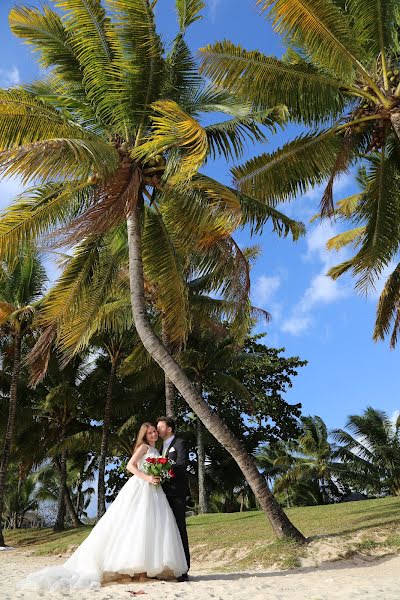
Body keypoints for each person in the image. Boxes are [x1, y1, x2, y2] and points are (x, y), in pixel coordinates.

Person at [18, 423, 187, 592]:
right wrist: (147, 478)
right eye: (150, 432)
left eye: (155, 432)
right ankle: (133, 571)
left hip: (154, 491)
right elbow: (130, 465)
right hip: (141, 488)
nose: (153, 434)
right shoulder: (143, 447)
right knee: (135, 526)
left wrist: (156, 476)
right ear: (144, 435)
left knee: (149, 528)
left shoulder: (156, 450)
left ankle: (144, 571)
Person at [157, 416, 190, 582]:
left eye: (160, 426)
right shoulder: (162, 446)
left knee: (179, 529)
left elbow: (182, 465)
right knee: (166, 530)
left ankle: (184, 569)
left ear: (169, 428)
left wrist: (163, 466)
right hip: (163, 493)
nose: (158, 429)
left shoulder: (180, 443)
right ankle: (170, 567)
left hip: (177, 492)